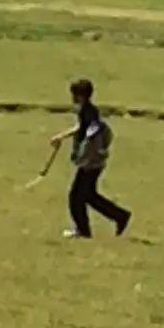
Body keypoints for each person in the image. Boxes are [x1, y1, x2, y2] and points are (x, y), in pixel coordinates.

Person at [53, 76, 129, 238]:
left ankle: (84, 230)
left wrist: (85, 155)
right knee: (89, 195)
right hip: (93, 161)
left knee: (76, 197)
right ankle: (119, 216)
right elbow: (81, 128)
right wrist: (62, 136)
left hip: (91, 162)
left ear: (79, 95)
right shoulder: (87, 110)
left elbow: (92, 133)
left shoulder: (88, 112)